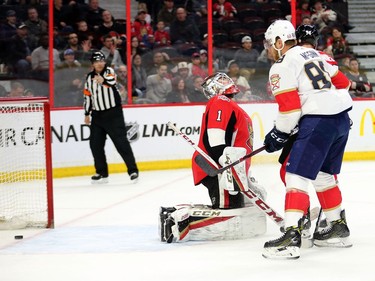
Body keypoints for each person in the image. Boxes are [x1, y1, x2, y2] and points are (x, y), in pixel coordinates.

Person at [262, 20, 353, 259]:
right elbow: (344, 84)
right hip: (341, 120)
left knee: (295, 175)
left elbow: (290, 109)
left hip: (318, 122)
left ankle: (291, 236)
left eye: (270, 45)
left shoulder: (282, 64)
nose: (269, 50)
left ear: (280, 42)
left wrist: (278, 133)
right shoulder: (316, 54)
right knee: (323, 176)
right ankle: (337, 227)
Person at [159, 72, 266, 243]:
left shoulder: (229, 104)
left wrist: (243, 175)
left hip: (227, 167)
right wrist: (228, 171)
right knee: (230, 214)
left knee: (236, 209)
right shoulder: (220, 101)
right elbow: (216, 139)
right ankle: (177, 221)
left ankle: (178, 214)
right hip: (219, 167)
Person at [83, 51, 139, 184]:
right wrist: (86, 114)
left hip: (113, 114)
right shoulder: (89, 78)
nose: (99, 64)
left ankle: (133, 170)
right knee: (95, 144)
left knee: (121, 143)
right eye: (96, 61)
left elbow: (112, 81)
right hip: (97, 115)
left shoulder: (109, 71)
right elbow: (87, 96)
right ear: (93, 64)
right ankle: (102, 173)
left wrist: (103, 81)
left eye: (101, 61)